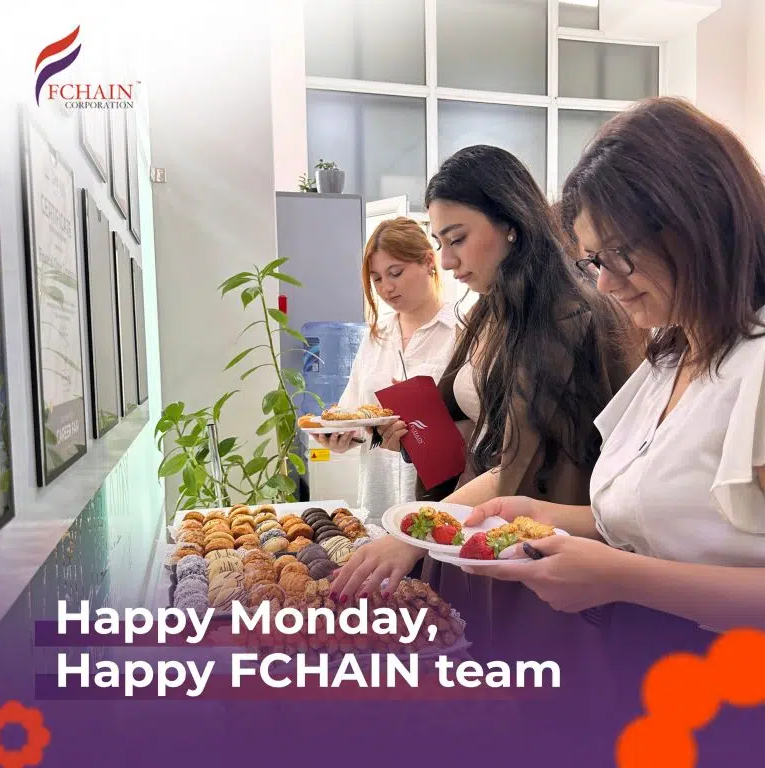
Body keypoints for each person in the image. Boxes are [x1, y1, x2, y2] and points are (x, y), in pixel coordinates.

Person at [459, 100, 765, 745]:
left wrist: (617, 576)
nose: (605, 286)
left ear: (698, 222)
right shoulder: (674, 353)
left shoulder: (756, 368)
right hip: (649, 675)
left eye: (619, 255)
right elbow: (667, 525)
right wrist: (542, 516)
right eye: (594, 261)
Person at [330, 146, 638, 663]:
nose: (448, 261)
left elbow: (522, 465)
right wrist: (404, 432)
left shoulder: (564, 320)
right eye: (440, 243)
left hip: (527, 542)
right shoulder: (494, 310)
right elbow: (465, 415)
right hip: (479, 525)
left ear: (511, 224)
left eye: (458, 239)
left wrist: (418, 532)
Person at [313, 217, 457, 524]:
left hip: (440, 503)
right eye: (376, 278)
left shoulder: (461, 332)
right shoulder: (375, 336)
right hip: (380, 501)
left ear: (429, 262)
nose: (386, 288)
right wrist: (340, 437)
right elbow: (353, 412)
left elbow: (480, 431)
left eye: (396, 273)